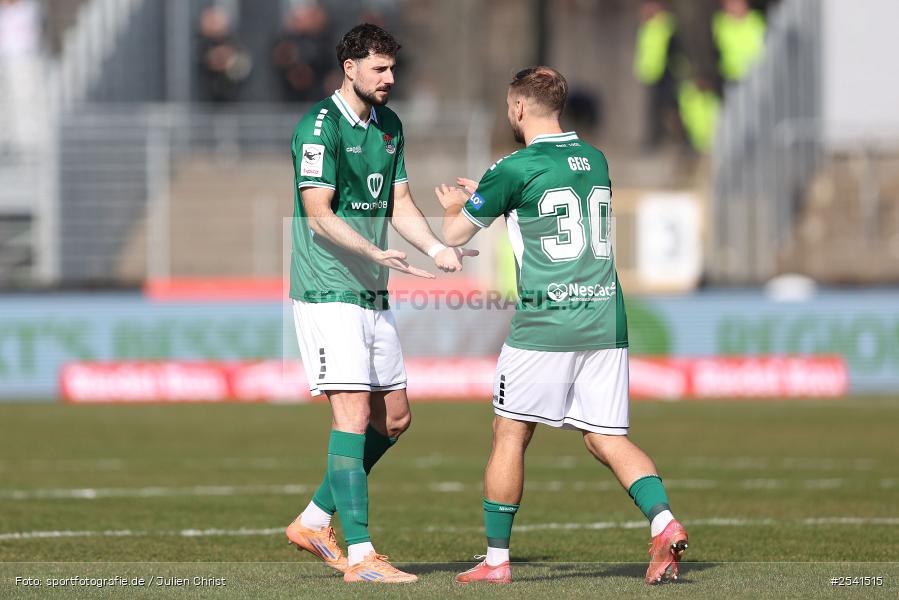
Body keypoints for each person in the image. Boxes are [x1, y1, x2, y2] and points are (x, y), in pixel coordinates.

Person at [436, 66, 688, 585]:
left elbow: (457, 235)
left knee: (510, 432)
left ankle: (497, 563)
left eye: (510, 106)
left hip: (547, 323)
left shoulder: (512, 165)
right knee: (605, 437)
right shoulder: (595, 159)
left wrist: (462, 203)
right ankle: (663, 521)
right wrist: (499, 197)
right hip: (603, 318)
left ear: (519, 108)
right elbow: (546, 204)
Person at [285, 23, 476, 584]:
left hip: (372, 289)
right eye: (379, 69)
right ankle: (363, 558)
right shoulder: (319, 126)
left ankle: (316, 518)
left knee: (393, 419)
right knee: (349, 415)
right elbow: (317, 214)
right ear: (350, 69)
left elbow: (400, 203)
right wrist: (374, 251)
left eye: (393, 69)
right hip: (326, 289)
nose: (390, 79)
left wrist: (438, 248)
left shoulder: (389, 125)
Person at [633, 1, 684, 149]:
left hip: (667, 73)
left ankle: (677, 139)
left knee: (670, 108)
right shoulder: (647, 25)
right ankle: (656, 140)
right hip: (652, 73)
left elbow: (673, 49)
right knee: (655, 109)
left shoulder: (666, 24)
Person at [712, 0, 766, 88]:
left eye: (737, 3)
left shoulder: (757, 20)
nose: (734, 7)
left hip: (759, 75)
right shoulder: (720, 23)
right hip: (733, 78)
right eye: (730, 4)